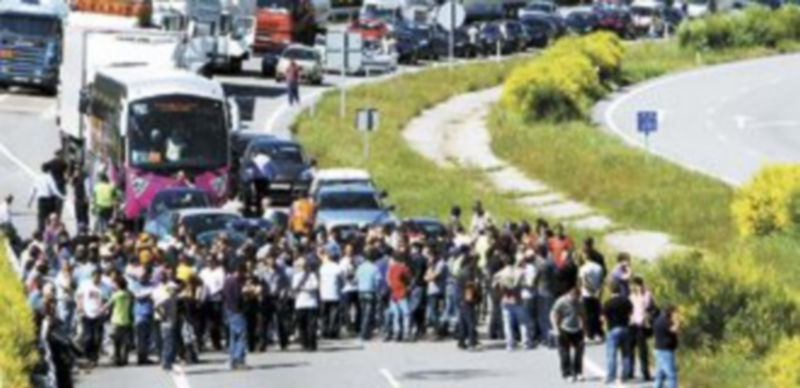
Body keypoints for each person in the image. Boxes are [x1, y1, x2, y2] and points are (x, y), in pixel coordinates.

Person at [550, 284, 586, 383]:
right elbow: (554, 314)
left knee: (579, 351)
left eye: (578, 297)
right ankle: (567, 374)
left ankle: (578, 372)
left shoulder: (579, 302)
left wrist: (584, 330)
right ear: (570, 294)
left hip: (576, 329)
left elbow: (582, 315)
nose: (576, 300)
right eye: (574, 297)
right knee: (565, 353)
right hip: (564, 329)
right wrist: (556, 329)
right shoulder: (561, 301)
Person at [603, 282, 634, 385]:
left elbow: (603, 318)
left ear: (610, 291)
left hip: (613, 328)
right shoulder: (626, 301)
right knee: (626, 353)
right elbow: (631, 312)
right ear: (620, 290)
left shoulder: (608, 303)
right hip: (625, 328)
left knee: (611, 354)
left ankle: (611, 376)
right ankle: (625, 375)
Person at [76, 269, 106, 367]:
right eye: (96, 276)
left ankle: (94, 357)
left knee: (98, 338)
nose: (97, 278)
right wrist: (79, 306)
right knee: (88, 337)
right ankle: (87, 356)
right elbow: (79, 296)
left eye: (99, 277)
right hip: (87, 313)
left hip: (99, 314)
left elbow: (107, 299)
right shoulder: (85, 285)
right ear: (92, 276)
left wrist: (105, 310)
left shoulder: (104, 287)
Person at [223, 265, 248, 369]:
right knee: (241, 335)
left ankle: (233, 359)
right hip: (236, 311)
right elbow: (237, 297)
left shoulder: (227, 281)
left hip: (229, 309)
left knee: (233, 336)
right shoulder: (235, 282)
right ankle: (238, 359)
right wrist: (245, 293)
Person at [629, 276, 654, 381]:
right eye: (633, 286)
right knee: (630, 349)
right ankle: (630, 372)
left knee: (642, 350)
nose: (634, 287)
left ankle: (645, 373)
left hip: (641, 325)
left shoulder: (647, 294)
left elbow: (647, 306)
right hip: (632, 324)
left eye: (636, 285)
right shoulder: (631, 296)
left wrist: (641, 294)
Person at [293, 257, 320, 351]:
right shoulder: (296, 276)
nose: (302, 266)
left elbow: (315, 286)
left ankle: (312, 344)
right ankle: (304, 344)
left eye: (304, 264)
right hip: (300, 303)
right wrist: (307, 287)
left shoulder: (312, 275)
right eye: (300, 265)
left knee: (312, 325)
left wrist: (304, 288)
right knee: (302, 325)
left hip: (311, 303)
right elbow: (294, 287)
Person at [29, 164, 65, 233]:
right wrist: (62, 196)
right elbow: (54, 189)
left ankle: (41, 232)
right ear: (49, 170)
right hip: (51, 200)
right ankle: (52, 231)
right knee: (52, 217)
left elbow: (33, 190)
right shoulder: (50, 178)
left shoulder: (38, 178)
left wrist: (30, 201)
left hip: (42, 200)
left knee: (41, 218)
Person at [106, 276, 133, 366]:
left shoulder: (116, 295)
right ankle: (124, 359)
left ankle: (117, 358)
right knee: (124, 341)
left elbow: (108, 305)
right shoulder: (128, 294)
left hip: (116, 320)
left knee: (116, 341)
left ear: (118, 285)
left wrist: (99, 311)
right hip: (126, 320)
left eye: (114, 284)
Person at [579, 251, 605, 342]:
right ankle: (599, 333)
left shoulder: (583, 268)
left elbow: (584, 282)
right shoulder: (599, 267)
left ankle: (590, 334)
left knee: (587, 314)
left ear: (585, 257)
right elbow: (601, 281)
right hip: (597, 293)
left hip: (587, 294)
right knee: (596, 313)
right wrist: (598, 291)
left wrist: (591, 291)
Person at [386, 252, 412, 342]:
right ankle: (406, 334)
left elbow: (388, 282)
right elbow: (409, 279)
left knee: (396, 314)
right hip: (402, 293)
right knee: (406, 314)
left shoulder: (390, 269)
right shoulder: (403, 268)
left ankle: (396, 333)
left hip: (393, 294)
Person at [319, 247, 343, 339]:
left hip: (324, 294)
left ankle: (324, 332)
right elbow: (342, 281)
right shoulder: (338, 268)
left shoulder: (323, 267)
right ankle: (333, 332)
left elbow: (320, 280)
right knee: (334, 315)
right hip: (335, 294)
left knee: (325, 315)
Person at [653, 305, 679, 388]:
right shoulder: (665, 321)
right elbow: (674, 330)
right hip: (665, 351)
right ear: (669, 312)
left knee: (659, 374)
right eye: (674, 312)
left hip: (658, 349)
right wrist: (677, 322)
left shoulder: (657, 320)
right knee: (671, 375)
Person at [356, 253, 380, 340]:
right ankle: (365, 333)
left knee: (363, 312)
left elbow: (356, 279)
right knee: (368, 313)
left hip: (361, 291)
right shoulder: (374, 268)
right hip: (370, 291)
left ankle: (364, 331)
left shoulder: (360, 267)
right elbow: (377, 280)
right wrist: (377, 290)